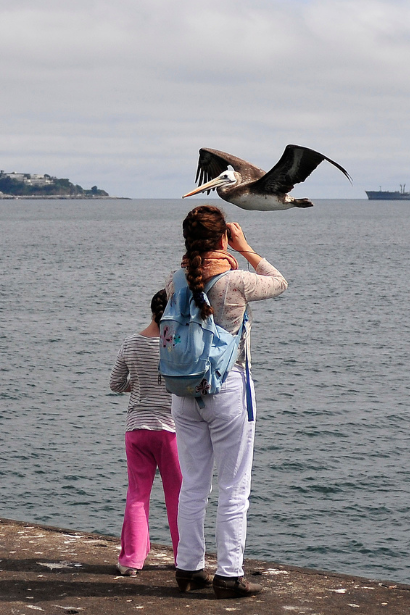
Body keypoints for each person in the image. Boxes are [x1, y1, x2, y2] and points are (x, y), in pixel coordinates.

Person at [167, 205, 286, 599]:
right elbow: (280, 282)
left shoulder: (175, 281)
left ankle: (188, 568)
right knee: (234, 486)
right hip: (227, 388)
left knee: (193, 486)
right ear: (223, 239)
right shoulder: (236, 280)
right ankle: (229, 575)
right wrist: (247, 246)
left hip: (183, 393)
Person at [108, 289, 181, 577]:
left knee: (138, 495)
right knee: (178, 495)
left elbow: (115, 383)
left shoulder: (131, 343)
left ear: (152, 310)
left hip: (137, 429)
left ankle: (131, 561)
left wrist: (137, 387)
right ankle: (184, 559)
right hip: (170, 431)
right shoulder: (175, 344)